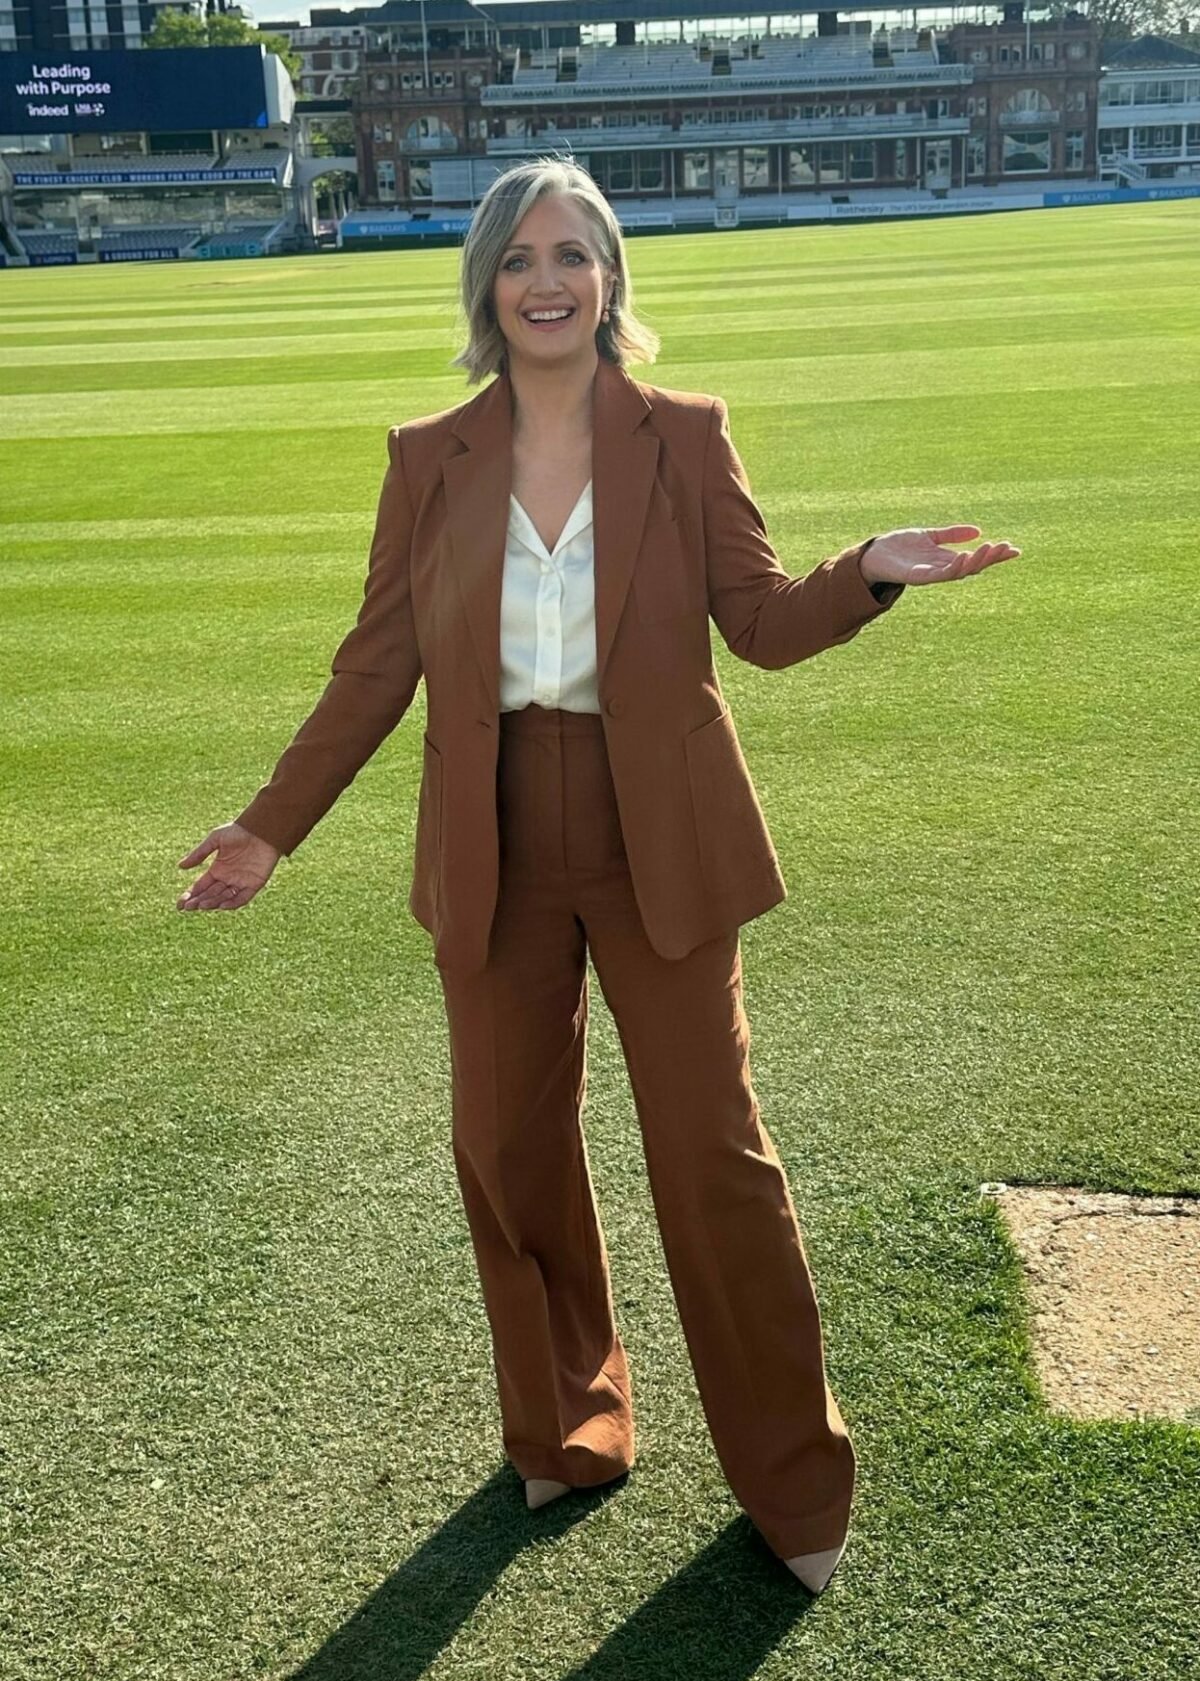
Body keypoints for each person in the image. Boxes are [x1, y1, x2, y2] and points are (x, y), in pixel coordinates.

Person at [176, 156, 1021, 1594]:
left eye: (572, 252)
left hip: (663, 841)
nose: (547, 280)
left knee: (715, 1156)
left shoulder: (683, 434)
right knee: (508, 1151)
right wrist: (272, 824)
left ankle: (795, 1481)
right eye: (519, 257)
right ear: (487, 286)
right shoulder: (425, 455)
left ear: (612, 275)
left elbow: (754, 622)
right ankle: (569, 1424)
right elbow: (377, 664)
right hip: (492, 838)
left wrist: (866, 569)